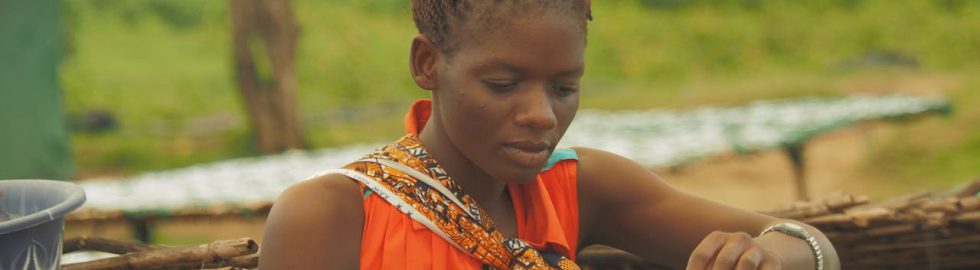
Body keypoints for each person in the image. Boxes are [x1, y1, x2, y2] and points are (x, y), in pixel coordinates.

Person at [260, 1, 840, 269]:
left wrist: (773, 255)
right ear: (428, 64)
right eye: (503, 83)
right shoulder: (333, 215)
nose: (540, 114)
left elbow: (810, 243)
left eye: (564, 88)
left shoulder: (581, 188)